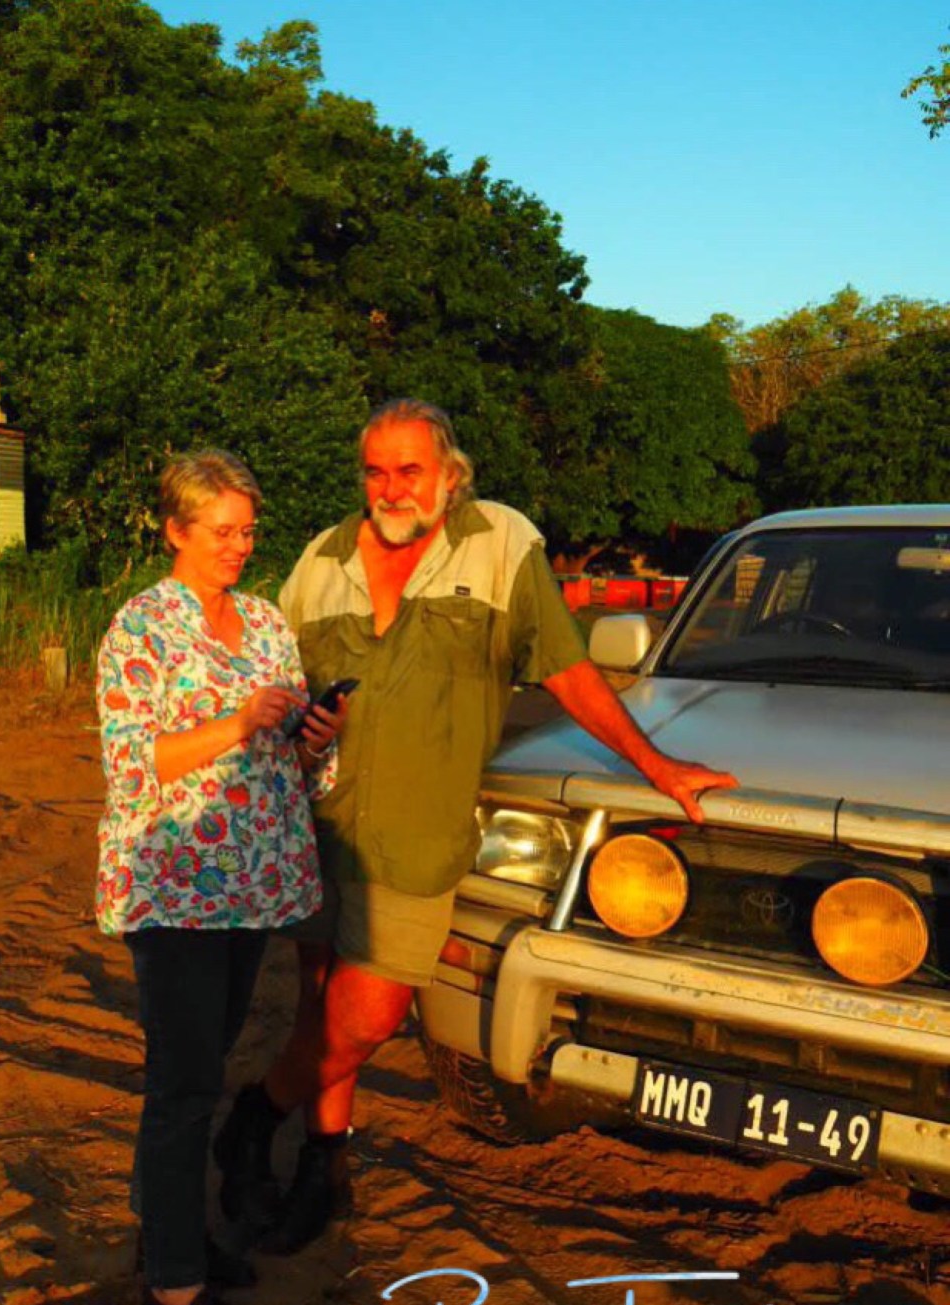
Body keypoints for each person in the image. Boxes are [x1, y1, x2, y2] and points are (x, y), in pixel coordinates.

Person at [214, 398, 738, 1253]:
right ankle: (323, 1162)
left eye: (409, 470)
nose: (391, 488)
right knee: (318, 1000)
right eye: (376, 471)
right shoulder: (320, 559)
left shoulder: (500, 546)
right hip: (314, 824)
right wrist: (297, 725)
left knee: (367, 1015)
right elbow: (276, 685)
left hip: (418, 838)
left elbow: (566, 667)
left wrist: (658, 765)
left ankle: (253, 1113)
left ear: (449, 474)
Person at [95, 450, 341, 1305]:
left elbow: (298, 765)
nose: (240, 545)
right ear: (176, 529)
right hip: (173, 884)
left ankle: (172, 1237)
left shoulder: (270, 623)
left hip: (252, 883)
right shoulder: (141, 630)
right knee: (184, 1083)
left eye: (247, 529)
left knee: (205, 1065)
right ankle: (170, 1286)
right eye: (222, 531)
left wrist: (315, 735)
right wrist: (237, 720)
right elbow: (135, 765)